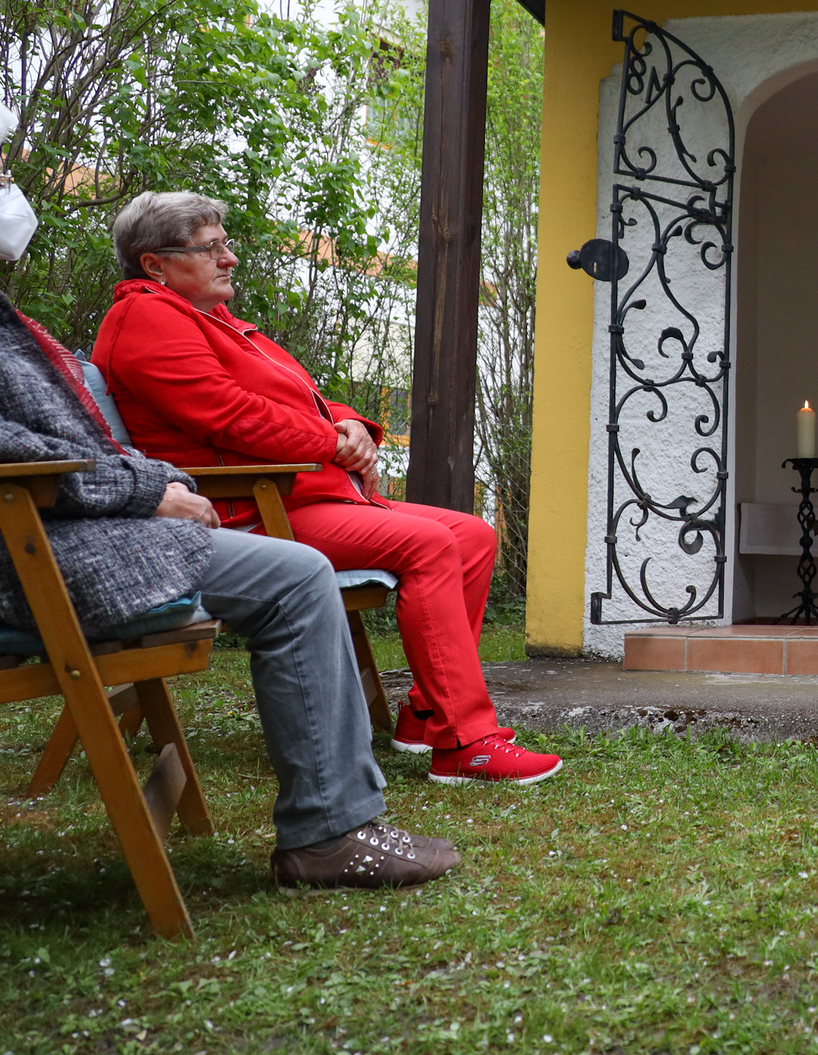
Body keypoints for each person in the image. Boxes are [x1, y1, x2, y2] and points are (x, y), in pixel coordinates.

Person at [0, 64, 454, 888]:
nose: (9, 191)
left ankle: (346, 810)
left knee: (319, 564)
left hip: (37, 526)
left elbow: (46, 434)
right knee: (296, 578)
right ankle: (330, 833)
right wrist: (147, 492)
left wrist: (155, 479)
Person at [92, 191, 560, 788]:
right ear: (154, 263)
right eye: (211, 249)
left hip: (302, 495)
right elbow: (228, 415)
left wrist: (350, 424)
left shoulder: (215, 320)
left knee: (471, 534)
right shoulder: (147, 318)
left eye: (225, 245)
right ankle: (465, 741)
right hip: (248, 513)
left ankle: (424, 715)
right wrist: (330, 442)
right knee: (429, 545)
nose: (229, 259)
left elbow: (298, 395)